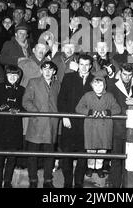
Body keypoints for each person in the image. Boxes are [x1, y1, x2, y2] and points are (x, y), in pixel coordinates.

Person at [57, 54, 94, 188]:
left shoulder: (94, 80)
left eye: (86, 65)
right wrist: (64, 116)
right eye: (81, 64)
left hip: (86, 123)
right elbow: (61, 99)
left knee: (83, 154)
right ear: (77, 64)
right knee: (66, 153)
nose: (83, 67)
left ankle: (78, 183)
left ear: (90, 66)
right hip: (70, 121)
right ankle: (67, 182)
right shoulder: (68, 77)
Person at [22, 61, 60, 188]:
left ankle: (48, 180)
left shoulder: (57, 84)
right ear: (41, 70)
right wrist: (36, 113)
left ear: (54, 71)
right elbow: (26, 101)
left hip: (51, 125)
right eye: (45, 69)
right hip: (37, 124)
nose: (48, 72)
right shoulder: (33, 82)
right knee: (32, 155)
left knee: (50, 155)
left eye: (50, 69)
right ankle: (33, 180)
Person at [75, 71, 121, 178]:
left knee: (102, 148)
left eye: (100, 85)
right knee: (91, 148)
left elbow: (117, 108)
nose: (98, 87)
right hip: (91, 125)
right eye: (96, 85)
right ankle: (91, 167)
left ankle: (99, 167)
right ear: (92, 85)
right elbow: (78, 108)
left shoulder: (109, 96)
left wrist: (108, 112)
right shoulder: (87, 95)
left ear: (104, 85)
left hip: (105, 126)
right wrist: (89, 112)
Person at [0, 65, 25, 188]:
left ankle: (7, 181)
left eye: (15, 75)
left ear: (19, 77)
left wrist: (18, 109)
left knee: (11, 157)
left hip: (14, 128)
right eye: (10, 75)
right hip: (0, 127)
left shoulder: (22, 89)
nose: (13, 77)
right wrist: (0, 107)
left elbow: (25, 106)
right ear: (6, 75)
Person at [106, 63, 133, 188]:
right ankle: (114, 185)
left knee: (130, 159)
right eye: (124, 74)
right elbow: (108, 102)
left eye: (129, 75)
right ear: (120, 72)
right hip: (117, 126)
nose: (126, 77)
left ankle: (128, 186)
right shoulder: (111, 84)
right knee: (116, 158)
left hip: (132, 127)